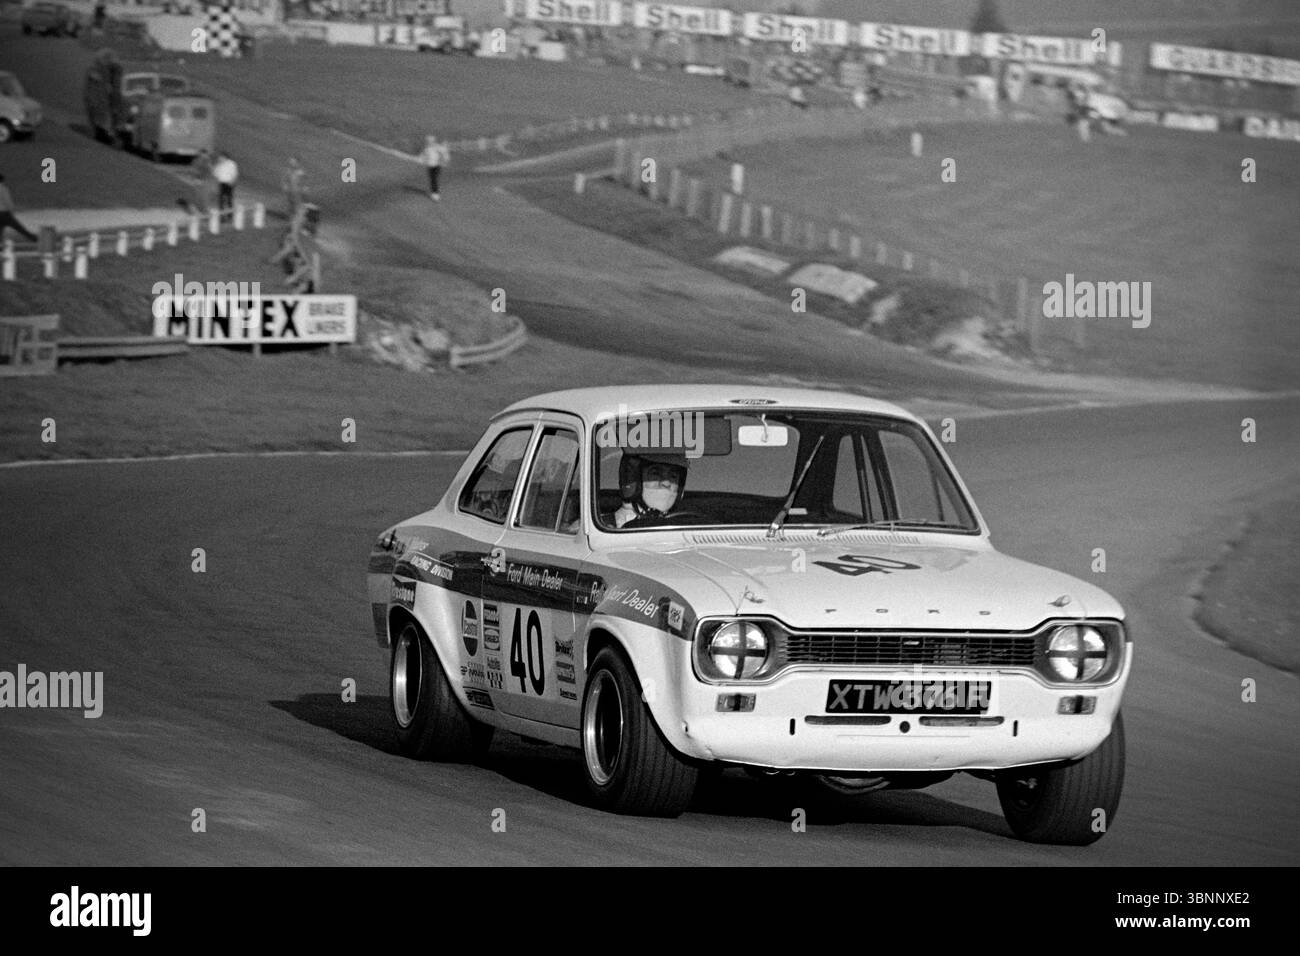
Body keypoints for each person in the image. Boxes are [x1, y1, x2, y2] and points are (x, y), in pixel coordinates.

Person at [613, 452, 688, 528]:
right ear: (633, 478)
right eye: (655, 473)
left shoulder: (686, 529)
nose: (666, 483)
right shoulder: (606, 530)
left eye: (673, 476)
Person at [0, 174, 39, 243]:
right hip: (5, 214)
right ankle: (34, 238)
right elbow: (8, 202)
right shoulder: (3, 189)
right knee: (19, 228)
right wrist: (12, 209)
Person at [420, 134, 448, 201]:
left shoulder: (437, 147)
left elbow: (444, 152)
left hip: (437, 165)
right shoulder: (426, 148)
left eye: (431, 141)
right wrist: (422, 159)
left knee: (434, 178)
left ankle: (435, 194)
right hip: (430, 166)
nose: (429, 142)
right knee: (432, 179)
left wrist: (445, 160)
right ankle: (434, 192)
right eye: (428, 141)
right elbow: (423, 155)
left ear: (433, 141)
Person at [212, 151, 239, 215]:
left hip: (229, 183)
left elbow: (235, 174)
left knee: (229, 199)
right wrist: (216, 166)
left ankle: (230, 214)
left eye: (220, 157)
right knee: (220, 199)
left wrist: (232, 182)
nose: (219, 158)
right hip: (221, 183)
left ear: (224, 157)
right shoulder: (219, 165)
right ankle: (221, 214)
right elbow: (214, 174)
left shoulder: (231, 164)